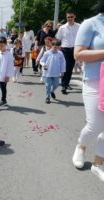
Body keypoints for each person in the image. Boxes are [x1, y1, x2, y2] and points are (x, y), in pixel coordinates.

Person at [72, 0, 104, 182]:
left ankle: (98, 164)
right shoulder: (90, 23)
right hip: (94, 80)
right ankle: (81, 146)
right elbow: (78, 54)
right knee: (95, 125)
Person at [56, 10, 80, 95]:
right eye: (68, 17)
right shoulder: (62, 28)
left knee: (70, 68)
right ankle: (64, 85)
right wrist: (56, 49)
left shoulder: (79, 26)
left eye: (71, 17)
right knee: (65, 67)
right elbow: (58, 39)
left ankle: (66, 83)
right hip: (64, 49)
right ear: (66, 17)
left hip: (74, 49)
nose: (70, 18)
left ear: (74, 17)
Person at [40, 39, 66, 104]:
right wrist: (43, 64)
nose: (56, 49)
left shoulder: (60, 54)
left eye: (57, 48)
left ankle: (52, 91)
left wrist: (62, 71)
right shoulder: (47, 53)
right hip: (48, 73)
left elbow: (63, 62)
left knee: (56, 84)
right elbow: (42, 61)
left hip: (56, 73)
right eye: (55, 47)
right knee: (48, 85)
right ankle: (47, 97)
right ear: (52, 45)